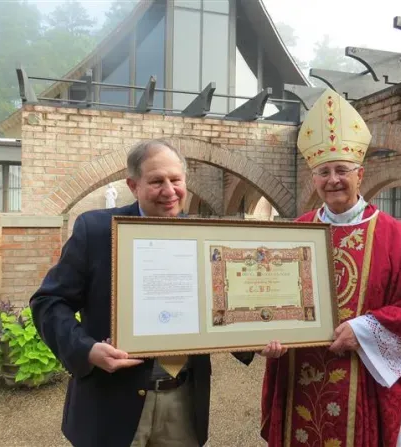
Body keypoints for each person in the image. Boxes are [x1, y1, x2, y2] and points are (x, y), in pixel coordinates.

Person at [30, 139, 256, 447]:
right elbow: (49, 302)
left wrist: (258, 334)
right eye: (156, 181)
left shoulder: (207, 238)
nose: (169, 190)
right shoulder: (96, 230)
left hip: (182, 400)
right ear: (133, 185)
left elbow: (225, 304)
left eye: (176, 180)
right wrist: (86, 349)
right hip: (111, 405)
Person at [258, 89, 401, 447]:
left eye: (342, 170)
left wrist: (363, 330)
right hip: (300, 371)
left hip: (364, 377)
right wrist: (262, 333)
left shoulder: (396, 236)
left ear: (360, 174)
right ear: (313, 178)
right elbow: (270, 294)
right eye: (323, 172)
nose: (333, 180)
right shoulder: (296, 231)